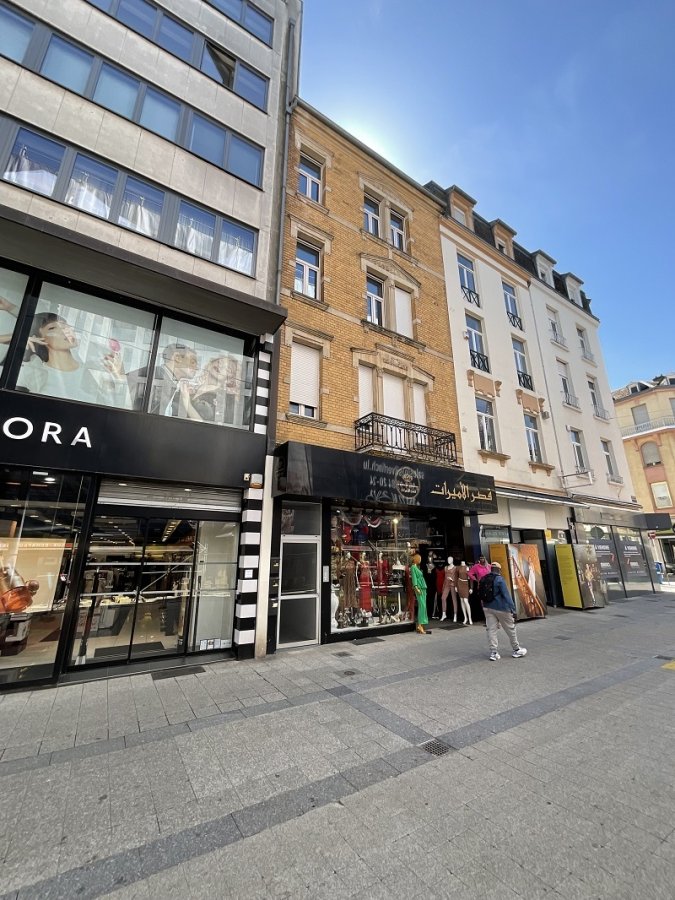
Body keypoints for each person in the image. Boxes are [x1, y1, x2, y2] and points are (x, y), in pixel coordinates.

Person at [17, 312, 130, 407]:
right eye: (52, 328)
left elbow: (119, 410)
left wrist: (119, 377)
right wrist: (18, 340)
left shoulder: (95, 370)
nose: (64, 330)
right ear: (38, 338)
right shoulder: (33, 371)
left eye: (65, 326)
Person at [128, 342, 202, 419]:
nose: (197, 368)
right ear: (177, 358)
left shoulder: (163, 378)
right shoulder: (156, 379)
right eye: (193, 362)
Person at [480, 561, 527, 661]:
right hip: (501, 608)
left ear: (491, 569)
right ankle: (516, 649)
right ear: (499, 570)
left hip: (487, 608)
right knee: (510, 629)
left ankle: (493, 653)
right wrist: (513, 610)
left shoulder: (484, 578)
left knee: (491, 630)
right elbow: (506, 596)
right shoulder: (499, 580)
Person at [410, 553, 430, 634]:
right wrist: (416, 587)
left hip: (423, 588)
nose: (420, 560)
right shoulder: (413, 567)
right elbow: (414, 578)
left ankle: (421, 624)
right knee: (422, 606)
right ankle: (420, 625)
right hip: (419, 588)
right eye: (420, 558)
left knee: (423, 606)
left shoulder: (416, 567)